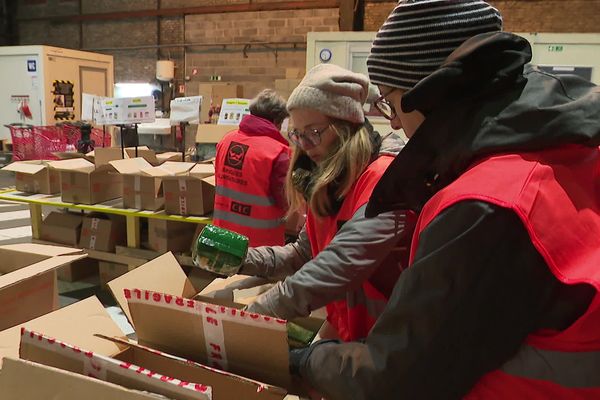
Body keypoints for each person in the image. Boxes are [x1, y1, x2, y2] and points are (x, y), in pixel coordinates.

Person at [289, 1, 600, 399]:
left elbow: (399, 377)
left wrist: (305, 361)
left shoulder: (488, 204)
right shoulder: (563, 152)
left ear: (429, 91)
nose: (394, 121)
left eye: (390, 99)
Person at [240, 64, 413, 342]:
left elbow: (337, 265)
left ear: (346, 128)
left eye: (314, 132)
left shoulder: (384, 179)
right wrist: (243, 259)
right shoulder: (325, 182)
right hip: (349, 332)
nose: (305, 144)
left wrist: (255, 314)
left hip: (388, 343)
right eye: (297, 134)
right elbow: (303, 255)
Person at [213, 89, 290, 247]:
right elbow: (285, 200)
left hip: (222, 236)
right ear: (277, 120)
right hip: (259, 246)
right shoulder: (277, 152)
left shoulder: (226, 141)